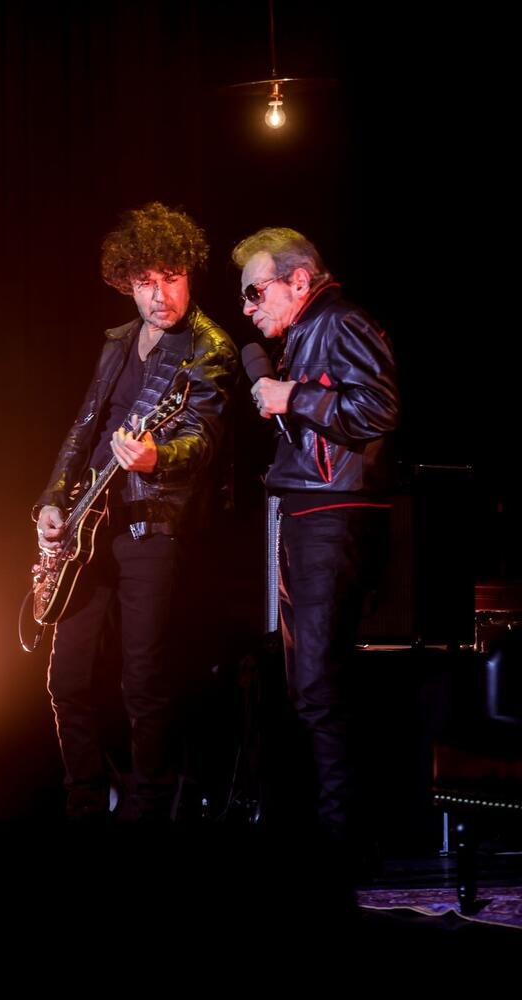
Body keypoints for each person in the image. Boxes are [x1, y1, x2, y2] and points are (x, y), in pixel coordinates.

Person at [33, 202, 238, 821]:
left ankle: (148, 813)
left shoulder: (209, 348)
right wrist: (50, 500)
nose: (160, 294)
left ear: (189, 275)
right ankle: (85, 805)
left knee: (142, 680)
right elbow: (85, 427)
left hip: (154, 527)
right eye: (145, 281)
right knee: (65, 678)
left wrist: (156, 459)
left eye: (170, 277)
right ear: (126, 281)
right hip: (87, 526)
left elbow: (202, 439)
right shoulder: (118, 342)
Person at [232, 227, 399, 860]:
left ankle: (341, 843)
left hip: (334, 511)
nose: (249, 308)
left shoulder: (340, 321)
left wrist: (292, 395)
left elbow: (379, 409)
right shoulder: (309, 329)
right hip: (307, 507)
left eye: (256, 291)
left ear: (297, 280)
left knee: (321, 684)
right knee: (307, 686)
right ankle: (324, 833)